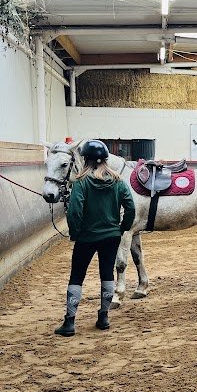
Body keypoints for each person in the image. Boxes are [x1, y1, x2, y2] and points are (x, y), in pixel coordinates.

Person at [54, 140, 136, 336]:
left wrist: (76, 232)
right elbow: (131, 207)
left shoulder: (81, 182)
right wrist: (122, 227)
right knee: (107, 275)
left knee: (77, 277)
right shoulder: (117, 181)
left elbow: (74, 211)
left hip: (86, 237)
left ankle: (70, 322)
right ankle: (103, 317)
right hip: (111, 237)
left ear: (85, 159)